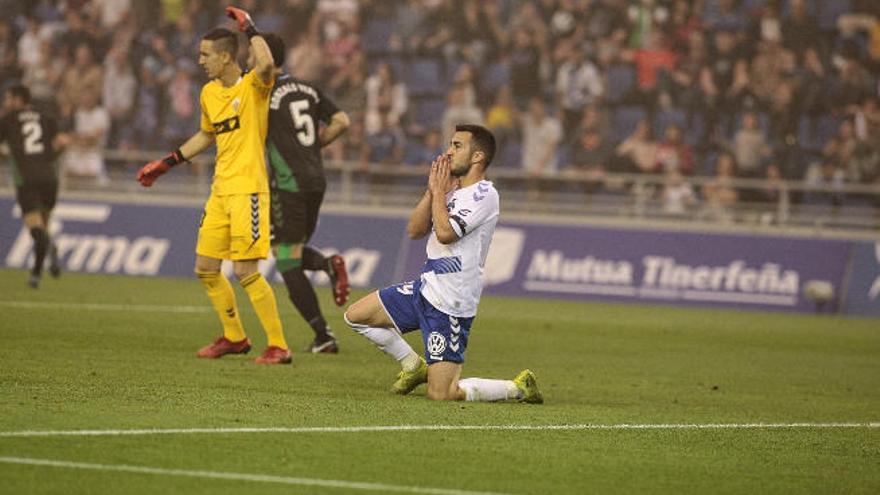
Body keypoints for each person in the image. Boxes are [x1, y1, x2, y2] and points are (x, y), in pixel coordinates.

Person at [343, 124, 543, 404]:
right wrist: (431, 192)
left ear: (478, 157)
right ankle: (414, 367)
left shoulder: (485, 195)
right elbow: (414, 231)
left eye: (457, 146)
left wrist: (439, 194)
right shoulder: (450, 191)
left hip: (452, 300)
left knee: (443, 394)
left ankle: (517, 388)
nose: (448, 152)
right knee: (356, 316)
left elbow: (446, 234)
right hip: (426, 287)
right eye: (450, 144)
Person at [136, 7, 291, 364]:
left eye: (206, 55)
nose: (201, 61)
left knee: (245, 271)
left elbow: (267, 64)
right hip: (220, 191)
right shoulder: (208, 93)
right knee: (205, 267)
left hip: (249, 190)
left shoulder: (254, 86)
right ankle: (235, 337)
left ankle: (279, 345)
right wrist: (166, 163)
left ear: (225, 57)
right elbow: (207, 134)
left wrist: (249, 27)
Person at [260, 32, 351, 354]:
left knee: (285, 259)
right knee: (293, 252)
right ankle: (327, 268)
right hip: (316, 180)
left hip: (289, 184)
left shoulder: (264, 91)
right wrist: (315, 145)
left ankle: (323, 335)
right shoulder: (308, 88)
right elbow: (342, 120)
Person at [0, 84, 67, 288]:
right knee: (43, 230)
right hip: (49, 179)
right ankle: (36, 275)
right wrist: (47, 157)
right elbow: (62, 143)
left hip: (26, 179)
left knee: (36, 231)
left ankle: (41, 266)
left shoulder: (8, 119)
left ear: (18, 99)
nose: (5, 102)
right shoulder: (46, 117)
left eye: (8, 98)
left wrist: (8, 156)